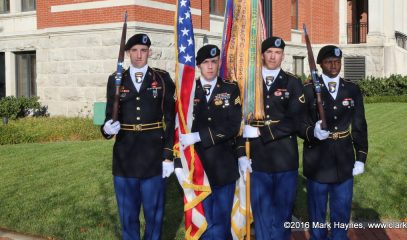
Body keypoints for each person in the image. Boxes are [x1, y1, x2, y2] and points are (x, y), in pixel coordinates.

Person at [101, 33, 176, 240]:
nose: (139, 55)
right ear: (127, 53)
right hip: (125, 158)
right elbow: (109, 115)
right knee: (128, 217)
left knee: (154, 217)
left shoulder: (162, 78)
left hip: (153, 157)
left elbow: (171, 119)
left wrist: (168, 155)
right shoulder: (116, 80)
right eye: (134, 50)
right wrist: (107, 128)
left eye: (143, 50)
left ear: (149, 52)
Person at [237, 36, 306, 240]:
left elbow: (297, 120)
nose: (273, 56)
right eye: (269, 52)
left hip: (285, 157)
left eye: (277, 53)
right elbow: (237, 118)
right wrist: (241, 150)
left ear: (283, 56)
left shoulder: (292, 83)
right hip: (257, 157)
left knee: (283, 214)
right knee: (261, 214)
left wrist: (262, 132)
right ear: (262, 55)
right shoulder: (249, 83)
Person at [300, 45, 368, 240]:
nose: (334, 65)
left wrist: (361, 157)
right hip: (318, 158)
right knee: (317, 211)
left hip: (344, 157)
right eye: (329, 61)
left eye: (337, 62)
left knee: (342, 209)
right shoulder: (309, 89)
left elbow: (359, 124)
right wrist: (312, 131)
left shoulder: (352, 89)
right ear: (320, 64)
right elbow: (299, 122)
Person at [176, 44, 242, 240]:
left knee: (221, 221)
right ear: (198, 65)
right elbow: (177, 125)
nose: (210, 66)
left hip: (223, 166)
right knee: (204, 221)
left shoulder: (230, 88)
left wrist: (199, 136)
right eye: (206, 62)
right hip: (197, 168)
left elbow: (233, 126)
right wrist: (177, 161)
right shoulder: (188, 91)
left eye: (214, 62)